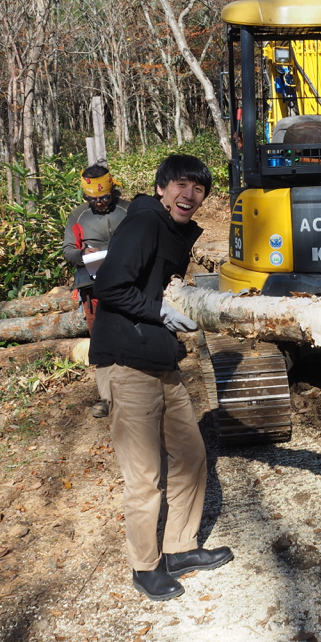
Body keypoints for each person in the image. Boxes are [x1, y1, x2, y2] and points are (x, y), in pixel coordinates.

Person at [89, 154, 232, 601]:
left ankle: (180, 548)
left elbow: (155, 286)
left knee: (190, 454)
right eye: (181, 185)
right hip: (126, 365)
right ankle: (145, 567)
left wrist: (176, 315)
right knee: (145, 475)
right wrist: (159, 312)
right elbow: (110, 284)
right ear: (161, 188)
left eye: (199, 189)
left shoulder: (172, 230)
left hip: (159, 362)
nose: (189, 195)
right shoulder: (145, 223)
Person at [62, 163, 130, 418]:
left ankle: (135, 392)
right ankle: (107, 396)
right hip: (93, 285)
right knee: (101, 341)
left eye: (104, 198)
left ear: (113, 190)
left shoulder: (128, 210)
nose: (100, 203)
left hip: (128, 282)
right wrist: (82, 254)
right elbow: (68, 250)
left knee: (131, 334)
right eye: (93, 199)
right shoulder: (78, 216)